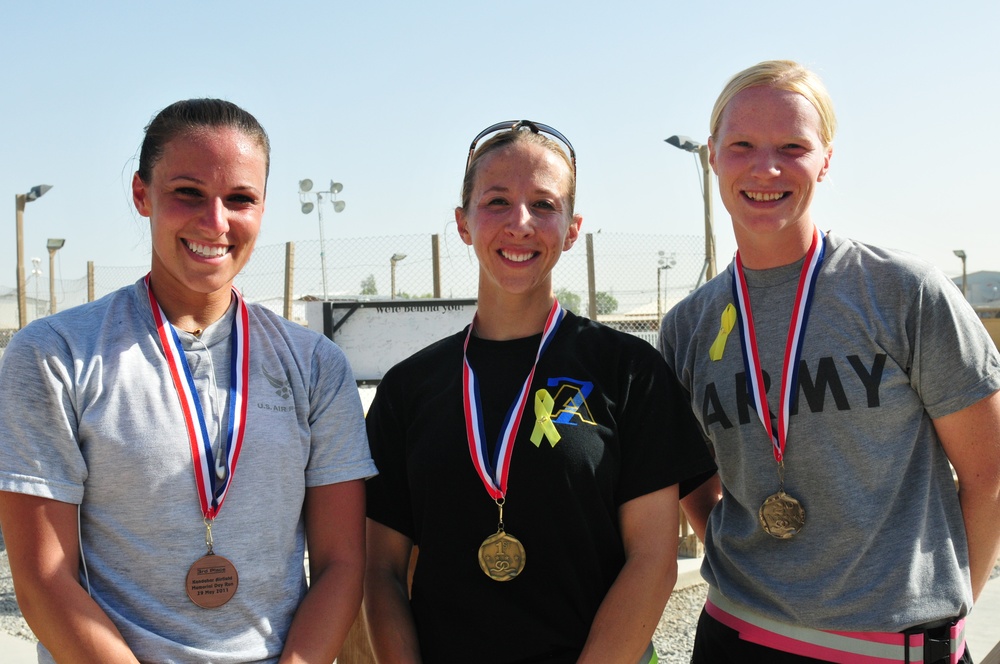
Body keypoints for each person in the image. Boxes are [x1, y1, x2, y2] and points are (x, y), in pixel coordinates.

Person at [0, 99, 377, 663]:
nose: (216, 222)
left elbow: (342, 565)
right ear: (141, 194)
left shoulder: (317, 363)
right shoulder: (56, 353)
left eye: (240, 199)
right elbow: (43, 580)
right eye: (188, 193)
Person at [659, 60, 1000, 663]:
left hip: (891, 649)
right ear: (712, 154)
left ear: (826, 160)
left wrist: (948, 617)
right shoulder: (688, 325)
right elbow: (690, 470)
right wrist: (731, 545)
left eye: (792, 146)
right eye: (742, 144)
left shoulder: (901, 291)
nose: (766, 167)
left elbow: (988, 472)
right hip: (739, 636)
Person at [363, 120, 716, 664]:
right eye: (497, 201)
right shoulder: (409, 388)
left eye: (544, 204)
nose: (520, 224)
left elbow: (652, 559)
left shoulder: (628, 371)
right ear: (464, 223)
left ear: (572, 228)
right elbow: (381, 570)